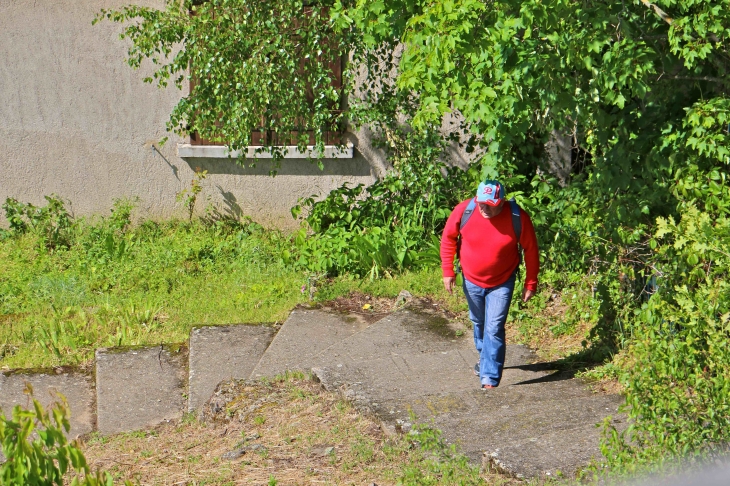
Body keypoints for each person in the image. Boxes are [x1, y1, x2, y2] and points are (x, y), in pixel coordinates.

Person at [440, 179, 539, 389]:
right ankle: (484, 356)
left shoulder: (517, 217)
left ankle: (489, 379)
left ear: (501, 202)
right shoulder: (464, 210)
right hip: (471, 279)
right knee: (478, 322)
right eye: (481, 203)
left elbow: (531, 250)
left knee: (494, 328)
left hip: (502, 281)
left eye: (490, 205)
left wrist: (530, 282)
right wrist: (448, 270)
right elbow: (448, 237)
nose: (484, 208)